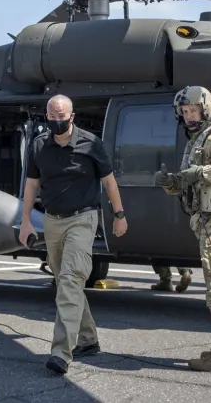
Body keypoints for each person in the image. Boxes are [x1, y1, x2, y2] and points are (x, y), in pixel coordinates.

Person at [19, 95, 127, 374]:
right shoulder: (39, 145)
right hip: (52, 221)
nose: (57, 122)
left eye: (61, 117)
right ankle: (89, 340)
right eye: (51, 118)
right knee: (64, 281)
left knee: (70, 280)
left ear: (72, 117)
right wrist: (26, 222)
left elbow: (109, 182)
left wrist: (119, 215)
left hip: (83, 219)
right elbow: (32, 185)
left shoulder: (90, 144)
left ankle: (61, 353)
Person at [155, 85, 211, 372]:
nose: (189, 116)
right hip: (209, 221)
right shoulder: (197, 141)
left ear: (205, 110)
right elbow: (191, 181)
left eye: (194, 110)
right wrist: (173, 182)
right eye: (184, 112)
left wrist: (202, 172)